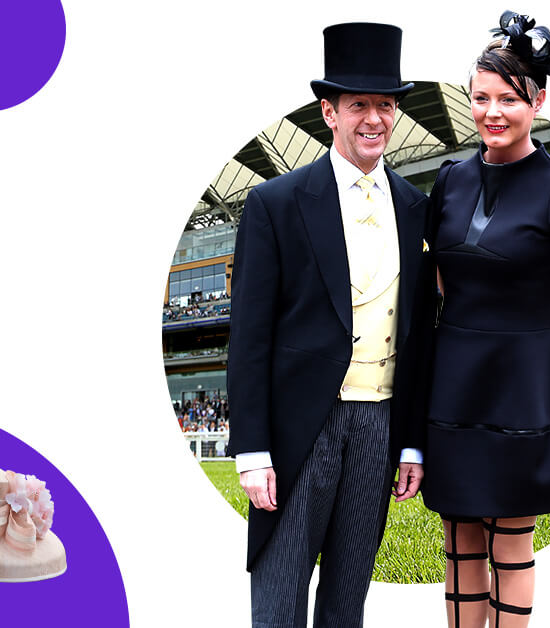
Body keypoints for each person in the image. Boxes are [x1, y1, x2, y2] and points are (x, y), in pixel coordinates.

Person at [226, 22, 435, 628]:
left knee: (349, 597)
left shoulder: (414, 205)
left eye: (386, 105)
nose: (375, 118)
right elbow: (250, 337)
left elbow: (421, 333)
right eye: (359, 105)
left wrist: (412, 440)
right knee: (280, 592)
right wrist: (252, 450)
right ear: (329, 112)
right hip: (300, 425)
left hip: (378, 420)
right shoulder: (276, 202)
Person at [419, 12, 550, 628]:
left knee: (510, 536)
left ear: (538, 99)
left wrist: (535, 345)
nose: (492, 112)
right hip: (454, 374)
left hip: (523, 381)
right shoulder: (448, 180)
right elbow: (441, 275)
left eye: (509, 98)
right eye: (480, 98)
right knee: (459, 535)